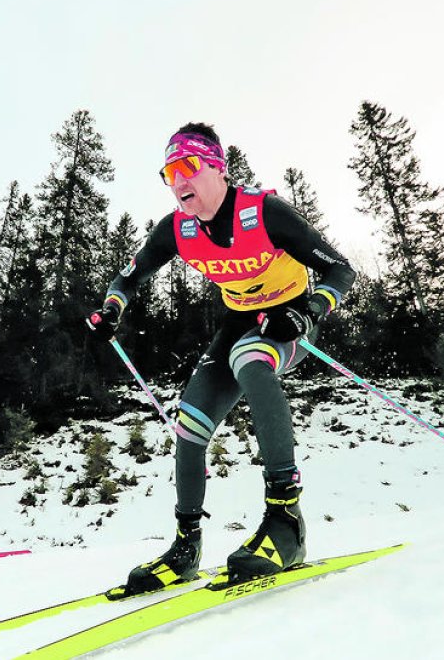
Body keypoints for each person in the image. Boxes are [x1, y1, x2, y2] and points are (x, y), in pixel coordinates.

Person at [86, 123, 356, 593]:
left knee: (251, 359)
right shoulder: (177, 229)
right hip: (237, 321)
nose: (179, 181)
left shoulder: (264, 212)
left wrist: (310, 312)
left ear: (218, 168)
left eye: (189, 167)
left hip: (283, 317)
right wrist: (112, 309)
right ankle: (185, 547)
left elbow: (340, 269)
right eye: (170, 172)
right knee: (188, 426)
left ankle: (286, 523)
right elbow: (126, 279)